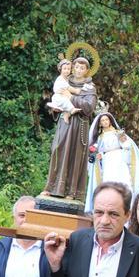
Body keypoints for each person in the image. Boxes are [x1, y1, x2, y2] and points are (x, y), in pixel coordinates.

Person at [42, 57, 98, 200]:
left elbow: (88, 107)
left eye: (82, 68)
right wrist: (58, 107)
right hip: (64, 123)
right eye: (77, 67)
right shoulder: (65, 80)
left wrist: (71, 98)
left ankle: (71, 192)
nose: (78, 70)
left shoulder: (89, 87)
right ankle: (52, 186)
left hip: (79, 124)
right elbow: (57, 98)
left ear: (87, 71)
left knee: (74, 154)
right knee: (58, 149)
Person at [83, 112, 139, 212]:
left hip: (119, 160)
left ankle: (127, 206)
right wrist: (99, 156)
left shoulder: (118, 133)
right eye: (102, 120)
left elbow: (127, 146)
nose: (105, 122)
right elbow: (97, 151)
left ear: (110, 121)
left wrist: (125, 142)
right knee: (109, 183)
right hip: (107, 162)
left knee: (123, 181)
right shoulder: (99, 138)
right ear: (100, 124)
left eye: (106, 120)